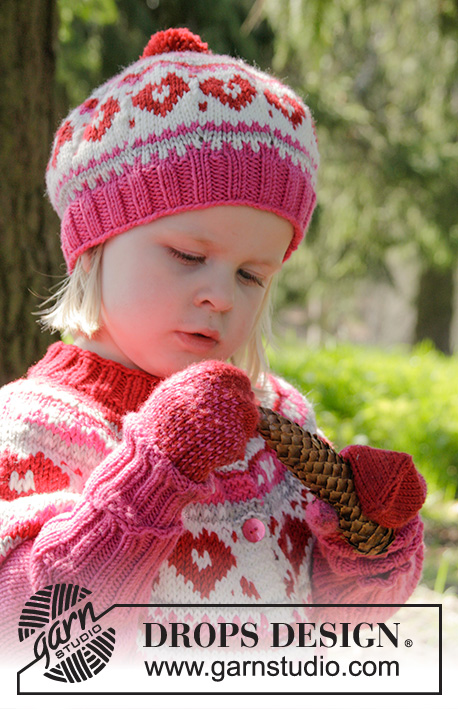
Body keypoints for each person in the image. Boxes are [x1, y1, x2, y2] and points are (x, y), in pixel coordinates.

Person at [0, 28, 425, 661]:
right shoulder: (32, 429)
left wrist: (369, 543)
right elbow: (27, 634)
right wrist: (155, 472)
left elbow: (339, 624)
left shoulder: (280, 424)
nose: (222, 296)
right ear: (94, 243)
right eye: (188, 255)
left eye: (252, 275)